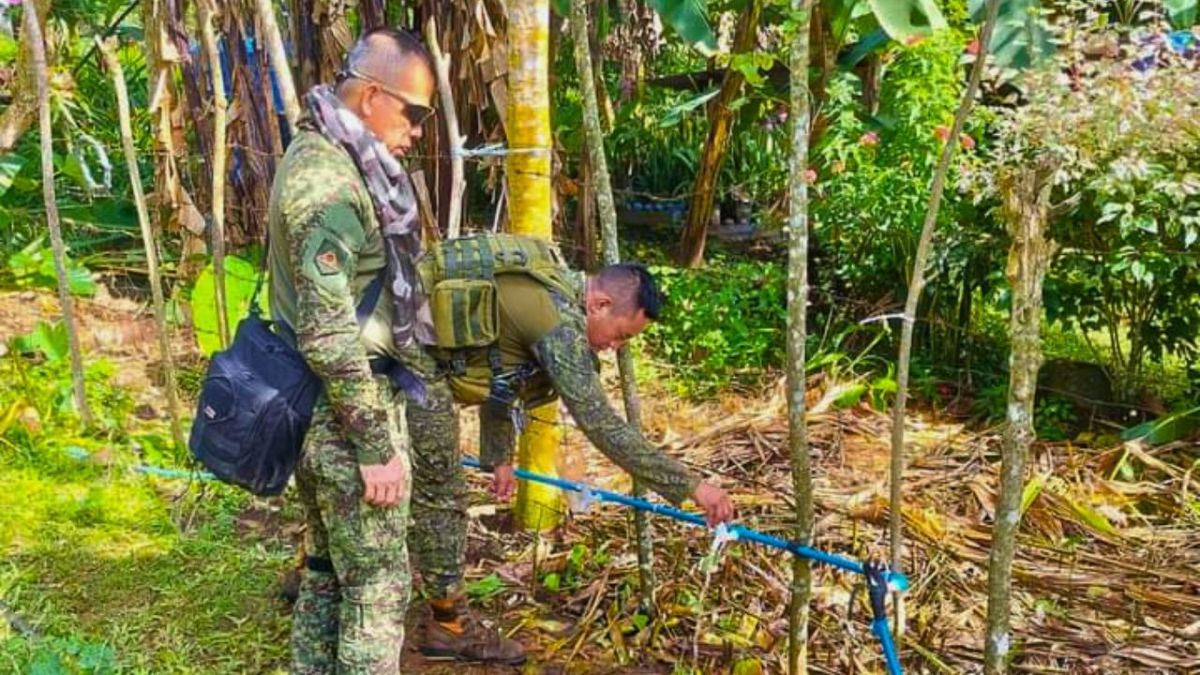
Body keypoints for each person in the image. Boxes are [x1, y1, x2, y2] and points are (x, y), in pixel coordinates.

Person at [404, 239, 736, 665]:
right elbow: (602, 426)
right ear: (599, 304)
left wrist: (499, 455)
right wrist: (692, 486)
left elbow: (501, 370)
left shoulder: (554, 284)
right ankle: (448, 626)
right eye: (620, 335)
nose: (615, 347)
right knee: (442, 494)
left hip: (408, 348)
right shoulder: (559, 323)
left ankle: (361, 580)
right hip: (407, 361)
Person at [267, 27, 435, 674]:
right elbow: (327, 328)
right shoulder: (331, 185)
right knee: (375, 588)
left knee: (327, 570)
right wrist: (374, 447)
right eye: (413, 113)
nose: (415, 132)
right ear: (370, 96)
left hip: (316, 403)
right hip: (342, 413)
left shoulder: (317, 154)